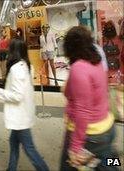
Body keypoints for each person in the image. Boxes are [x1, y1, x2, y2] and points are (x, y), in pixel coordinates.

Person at [60, 26, 117, 171]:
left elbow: (82, 109)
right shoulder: (95, 60)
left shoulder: (79, 68)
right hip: (107, 128)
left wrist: (75, 146)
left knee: (67, 166)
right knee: (109, 163)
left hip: (90, 135)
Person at [0, 38, 49, 171]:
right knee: (13, 143)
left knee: (29, 149)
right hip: (23, 114)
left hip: (20, 116)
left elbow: (17, 95)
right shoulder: (26, 65)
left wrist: (0, 92)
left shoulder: (16, 69)